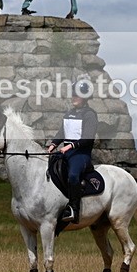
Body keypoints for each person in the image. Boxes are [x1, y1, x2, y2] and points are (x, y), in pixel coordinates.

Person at [47, 79, 98, 223]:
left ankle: (74, 210)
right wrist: (53, 144)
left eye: (77, 95)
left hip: (81, 155)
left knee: (73, 175)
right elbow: (61, 133)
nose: (74, 97)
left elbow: (87, 138)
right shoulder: (68, 114)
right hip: (65, 152)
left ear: (85, 97)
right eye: (73, 94)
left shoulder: (90, 115)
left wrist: (70, 146)